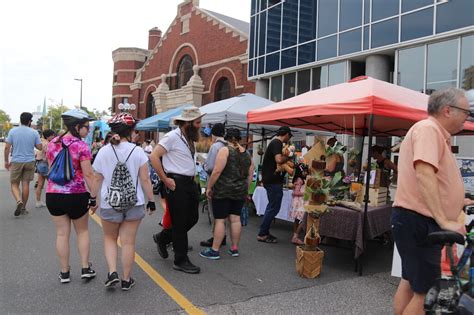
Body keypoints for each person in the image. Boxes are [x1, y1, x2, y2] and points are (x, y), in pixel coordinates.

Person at [391, 87, 470, 315]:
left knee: (411, 283)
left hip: (413, 220)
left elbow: (433, 179)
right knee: (425, 292)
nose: (467, 117)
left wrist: (457, 199)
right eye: (465, 112)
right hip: (421, 221)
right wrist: (444, 220)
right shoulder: (429, 129)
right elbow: (424, 174)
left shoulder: (432, 131)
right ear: (448, 110)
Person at [91, 112, 156, 291]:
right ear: (131, 131)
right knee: (128, 242)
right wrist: (151, 201)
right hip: (133, 203)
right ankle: (126, 280)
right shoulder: (138, 151)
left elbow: (97, 178)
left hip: (109, 202)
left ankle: (112, 272)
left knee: (110, 239)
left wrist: (92, 198)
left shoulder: (103, 151)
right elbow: (145, 180)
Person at [149, 106, 204, 274]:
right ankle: (180, 259)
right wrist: (165, 179)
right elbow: (154, 156)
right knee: (180, 223)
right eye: (197, 122)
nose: (200, 125)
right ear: (187, 123)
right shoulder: (172, 136)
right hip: (177, 183)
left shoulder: (188, 138)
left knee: (192, 218)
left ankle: (163, 237)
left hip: (189, 183)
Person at [46, 109, 97, 283]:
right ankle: (85, 267)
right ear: (77, 127)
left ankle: (64, 272)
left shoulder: (52, 143)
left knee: (61, 234)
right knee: (82, 232)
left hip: (54, 194)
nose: (88, 130)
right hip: (76, 195)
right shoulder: (81, 146)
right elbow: (89, 174)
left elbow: (51, 168)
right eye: (86, 127)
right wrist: (94, 196)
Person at [200, 128, 254, 259]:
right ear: (239, 138)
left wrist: (209, 187)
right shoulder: (247, 153)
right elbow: (250, 174)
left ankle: (215, 250)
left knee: (220, 220)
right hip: (240, 191)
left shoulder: (224, 151)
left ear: (226, 138)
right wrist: (246, 189)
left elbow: (217, 171)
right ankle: (234, 248)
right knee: (235, 219)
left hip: (223, 190)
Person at [257, 126, 293, 243]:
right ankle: (262, 233)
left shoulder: (274, 142)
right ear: (286, 134)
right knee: (273, 207)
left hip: (271, 179)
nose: (289, 139)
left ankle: (265, 232)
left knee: (272, 206)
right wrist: (288, 156)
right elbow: (278, 159)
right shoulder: (277, 142)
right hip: (272, 180)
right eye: (289, 136)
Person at [4, 112, 42, 216]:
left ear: (20, 120)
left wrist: (6, 161)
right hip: (30, 161)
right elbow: (39, 147)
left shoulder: (13, 131)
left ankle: (18, 201)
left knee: (14, 183)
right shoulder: (34, 132)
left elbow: (7, 147)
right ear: (30, 121)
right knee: (25, 184)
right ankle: (24, 208)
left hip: (17, 161)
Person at [200, 123, 227, 248]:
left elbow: (210, 167)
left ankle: (216, 238)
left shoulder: (215, 147)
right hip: (228, 183)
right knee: (223, 212)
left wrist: (203, 165)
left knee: (215, 212)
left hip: (215, 182)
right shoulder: (229, 146)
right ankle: (223, 235)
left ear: (213, 134)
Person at [289, 161, 308, 245]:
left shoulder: (300, 179)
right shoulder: (300, 180)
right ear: (300, 171)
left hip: (299, 201)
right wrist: (306, 193)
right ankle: (295, 236)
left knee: (296, 219)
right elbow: (295, 192)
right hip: (300, 202)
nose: (306, 173)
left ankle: (295, 235)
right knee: (303, 218)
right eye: (305, 171)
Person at [35, 129, 55, 208]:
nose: (53, 137)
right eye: (52, 135)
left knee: (40, 184)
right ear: (48, 136)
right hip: (45, 164)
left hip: (39, 164)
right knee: (52, 183)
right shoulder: (47, 144)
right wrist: (51, 167)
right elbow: (48, 156)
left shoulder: (40, 142)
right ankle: (53, 202)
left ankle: (38, 201)